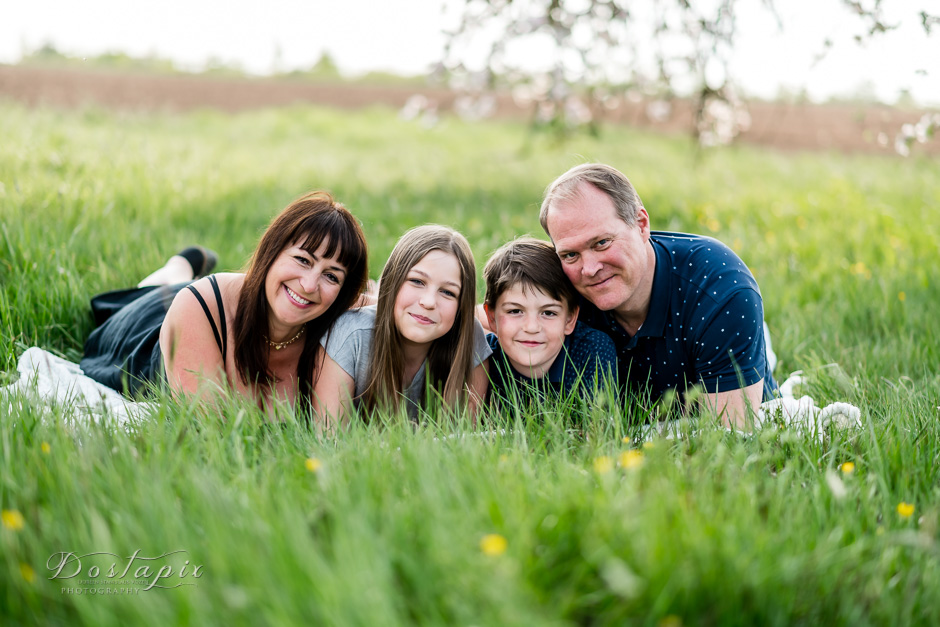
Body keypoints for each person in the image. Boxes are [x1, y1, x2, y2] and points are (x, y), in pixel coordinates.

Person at [80, 191, 369, 417]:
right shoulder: (197, 308)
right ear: (272, 251)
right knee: (157, 290)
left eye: (331, 275)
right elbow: (214, 429)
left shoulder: (338, 309)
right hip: (156, 323)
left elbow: (388, 302)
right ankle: (181, 264)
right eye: (302, 260)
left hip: (227, 295)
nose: (309, 285)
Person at [539, 163, 777, 428]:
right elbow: (491, 319)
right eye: (570, 254)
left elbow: (733, 435)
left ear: (641, 224)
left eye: (602, 243)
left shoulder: (720, 290)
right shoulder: (560, 287)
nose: (590, 269)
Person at [314, 225, 491, 427]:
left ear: (461, 306)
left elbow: (467, 441)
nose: (429, 301)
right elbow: (329, 439)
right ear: (392, 281)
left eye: (448, 292)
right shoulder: (351, 334)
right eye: (417, 281)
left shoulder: (470, 339)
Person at [482, 237, 616, 409]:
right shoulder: (484, 358)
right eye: (515, 311)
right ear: (492, 318)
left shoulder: (591, 350)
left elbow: (597, 428)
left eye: (548, 313)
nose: (531, 327)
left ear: (569, 319)